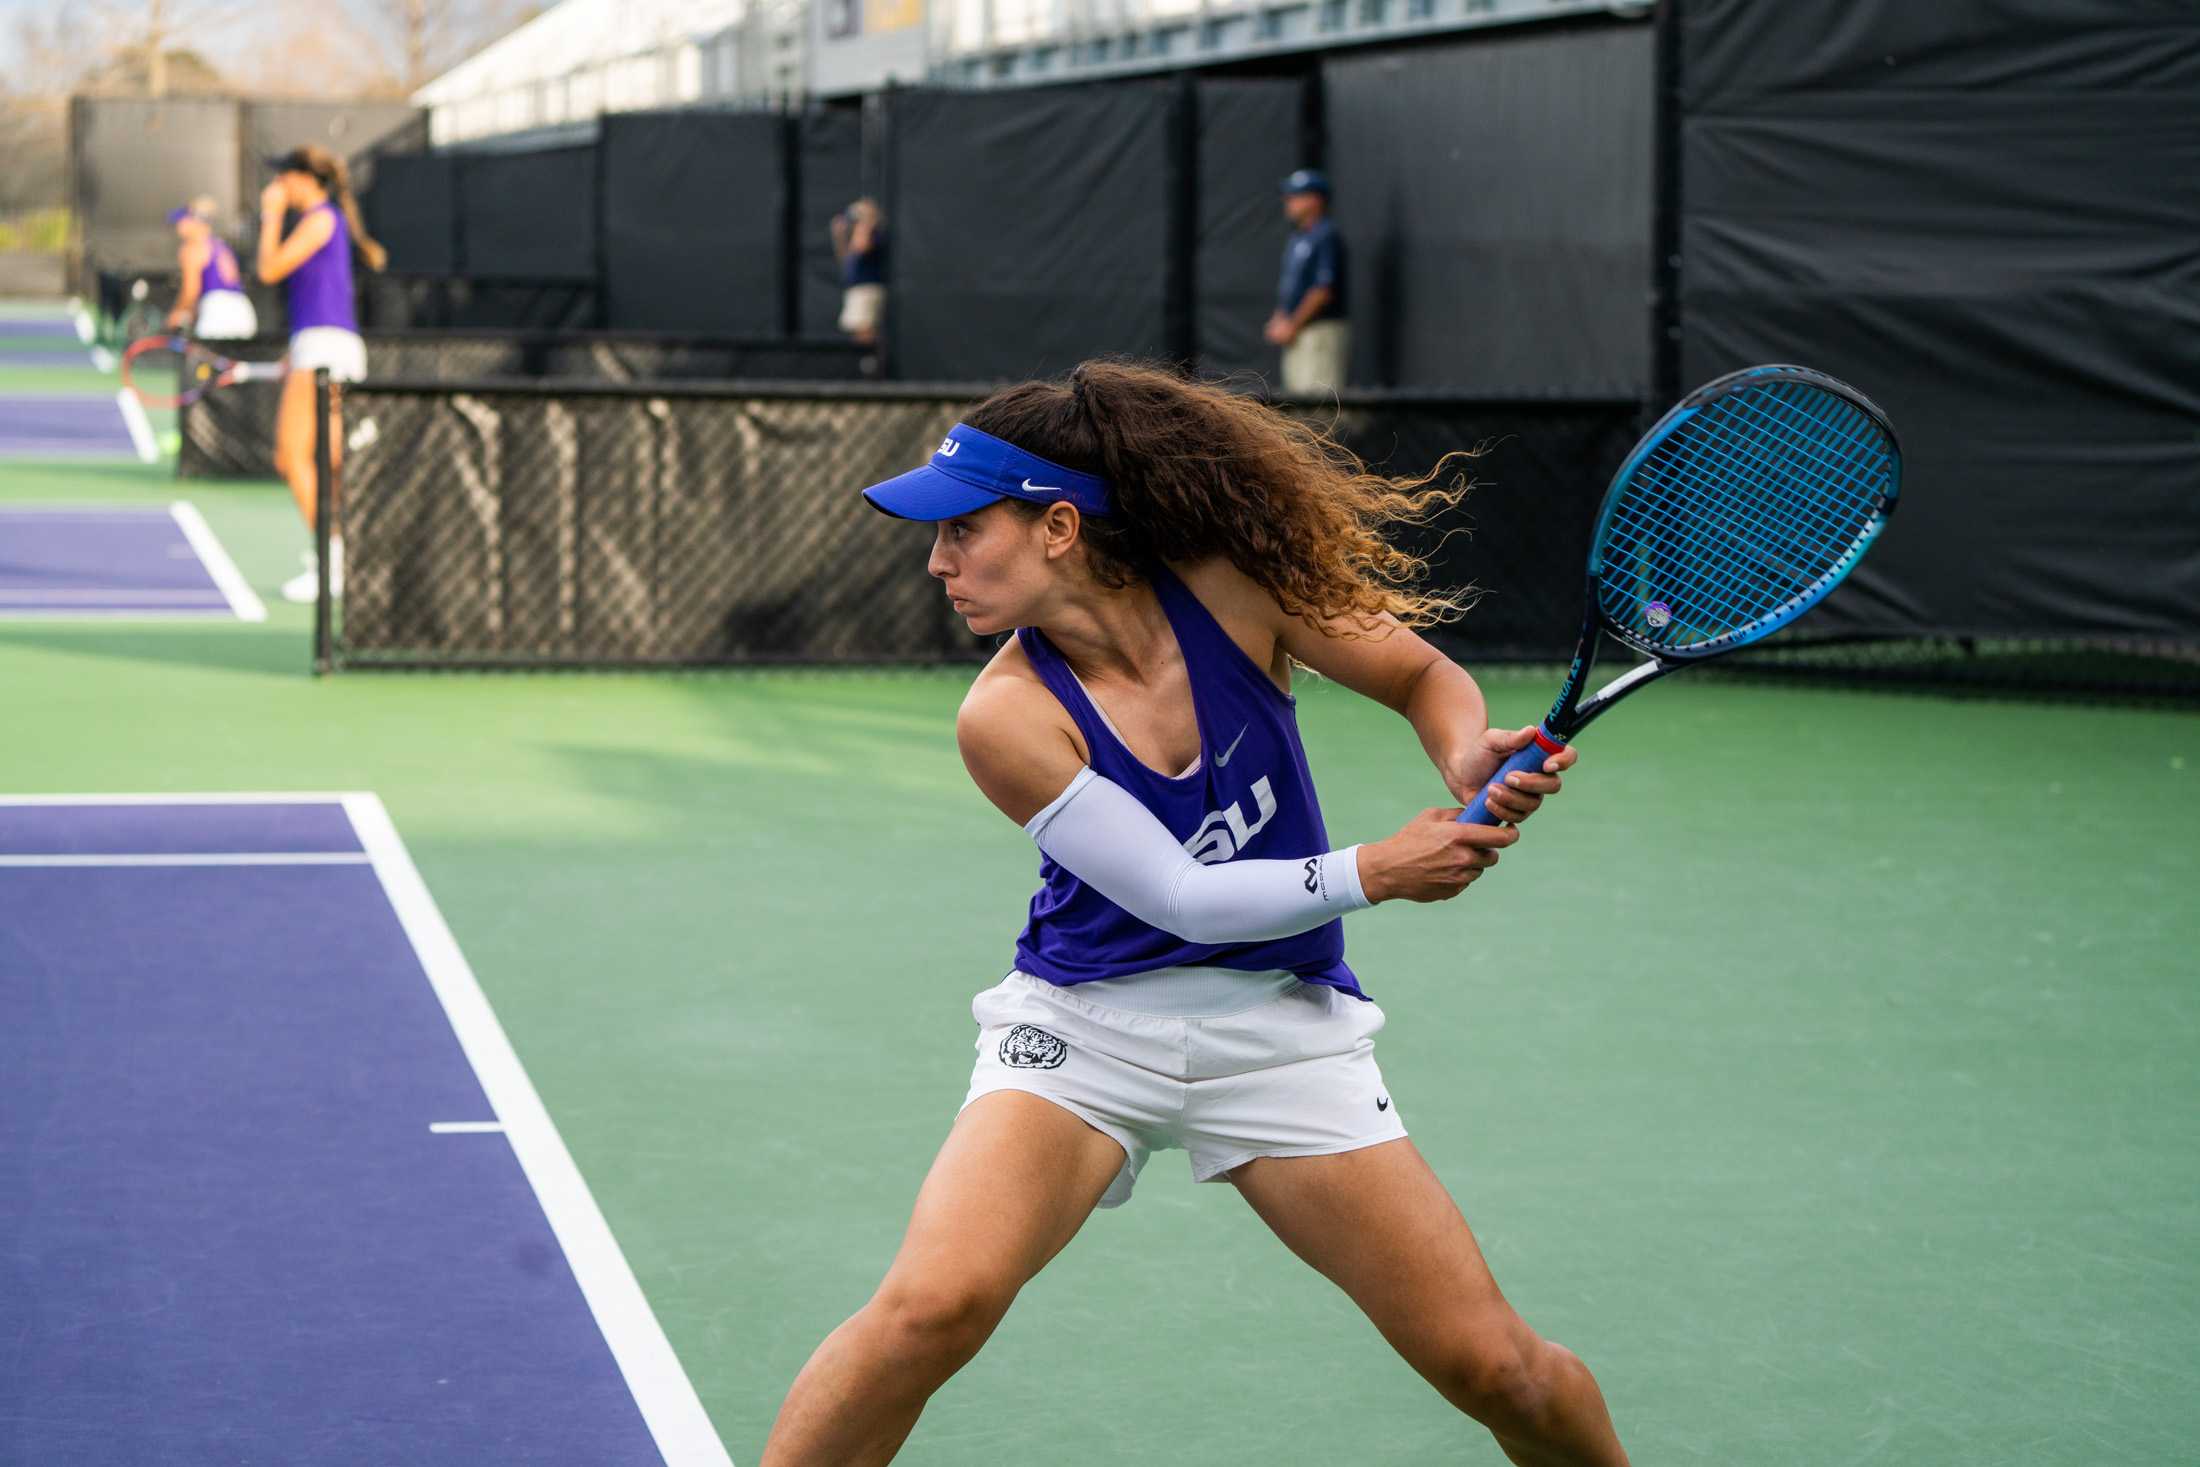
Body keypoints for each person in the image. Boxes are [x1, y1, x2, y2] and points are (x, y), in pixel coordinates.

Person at [759, 361, 1631, 1467]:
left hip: (1277, 1035)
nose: (938, 563)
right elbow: (1182, 896)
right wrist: (1376, 867)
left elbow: (1420, 678)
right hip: (1078, 1036)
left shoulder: (1232, 589)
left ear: (1058, 528)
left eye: (962, 532)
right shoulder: (1007, 718)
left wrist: (1463, 749)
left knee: (1493, 1367)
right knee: (929, 1312)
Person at [254, 144, 387, 604]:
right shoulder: (323, 220)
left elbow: (269, 269)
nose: (276, 187)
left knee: (291, 458)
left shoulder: (319, 220)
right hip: (319, 344)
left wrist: (269, 216)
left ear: (305, 180)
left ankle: (332, 560)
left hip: (327, 349)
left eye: (282, 178)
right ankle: (338, 556)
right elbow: (317, 298)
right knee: (325, 462)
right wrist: (292, 355)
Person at [1266, 168, 1350, 395]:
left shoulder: (1326, 235)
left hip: (1318, 331)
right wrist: (1280, 317)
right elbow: (1291, 286)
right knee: (1297, 405)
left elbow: (1323, 290)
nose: (1288, 202)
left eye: (1295, 196)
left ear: (1314, 200)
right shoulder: (1298, 237)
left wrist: (1292, 324)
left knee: (1319, 406)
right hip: (1297, 333)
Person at [163, 197, 258, 341]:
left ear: (193, 221)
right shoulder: (221, 245)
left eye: (181, 221)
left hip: (217, 314)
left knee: (205, 362)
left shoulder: (192, 248)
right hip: (244, 312)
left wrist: (176, 314)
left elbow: (191, 291)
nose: (178, 227)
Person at [830, 197, 887, 352]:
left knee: (866, 333)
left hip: (867, 289)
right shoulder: (858, 234)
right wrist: (839, 235)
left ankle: (870, 366)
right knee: (859, 332)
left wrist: (866, 220)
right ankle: (865, 365)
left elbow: (861, 247)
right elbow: (847, 259)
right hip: (857, 289)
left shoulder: (872, 234)